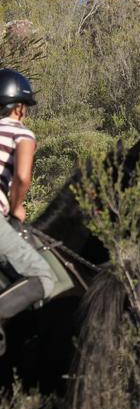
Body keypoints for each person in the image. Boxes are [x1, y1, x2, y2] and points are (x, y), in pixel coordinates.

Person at [0, 69, 58, 356]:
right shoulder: (21, 133)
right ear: (20, 107)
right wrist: (17, 205)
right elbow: (22, 177)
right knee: (42, 279)